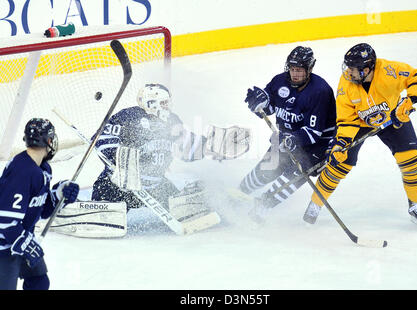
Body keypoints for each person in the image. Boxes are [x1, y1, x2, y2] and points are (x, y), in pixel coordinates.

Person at [303, 43, 417, 229]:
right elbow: (346, 120)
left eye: (353, 68)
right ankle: (316, 203)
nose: (349, 72)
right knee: (339, 161)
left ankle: (416, 205)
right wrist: (341, 143)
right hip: (359, 124)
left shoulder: (389, 70)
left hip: (393, 117)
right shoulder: (346, 83)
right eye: (347, 66)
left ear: (368, 67)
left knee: (410, 158)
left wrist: (409, 101)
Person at [91, 83, 250, 215]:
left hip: (156, 187)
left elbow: (187, 146)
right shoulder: (128, 116)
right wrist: (121, 162)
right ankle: (97, 209)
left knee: (184, 209)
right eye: (164, 102)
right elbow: (102, 139)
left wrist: (214, 146)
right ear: (150, 103)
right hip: (118, 185)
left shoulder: (172, 121)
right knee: (105, 212)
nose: (168, 106)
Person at [238, 46, 336, 217]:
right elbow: (268, 108)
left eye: (299, 70)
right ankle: (237, 194)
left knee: (290, 178)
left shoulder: (320, 91)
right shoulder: (279, 82)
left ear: (309, 69)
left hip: (316, 147)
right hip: (284, 139)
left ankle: (263, 206)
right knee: (264, 172)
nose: (294, 74)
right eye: (292, 69)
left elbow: (314, 132)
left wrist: (292, 139)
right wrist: (258, 105)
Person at [0, 118, 80, 290]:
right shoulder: (22, 171)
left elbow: (41, 211)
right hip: (4, 247)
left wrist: (60, 194)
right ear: (49, 141)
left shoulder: (42, 169)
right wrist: (26, 244)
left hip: (19, 239)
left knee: (39, 283)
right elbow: (5, 220)